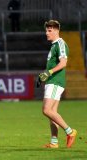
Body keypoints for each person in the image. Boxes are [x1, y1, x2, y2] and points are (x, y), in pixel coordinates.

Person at [38, 20, 77, 148]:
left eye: (49, 30)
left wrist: (49, 73)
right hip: (52, 81)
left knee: (46, 110)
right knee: (52, 113)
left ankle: (70, 131)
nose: (46, 33)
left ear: (56, 31)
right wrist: (45, 76)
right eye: (46, 30)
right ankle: (54, 142)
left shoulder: (60, 44)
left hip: (55, 81)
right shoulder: (54, 45)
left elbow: (63, 63)